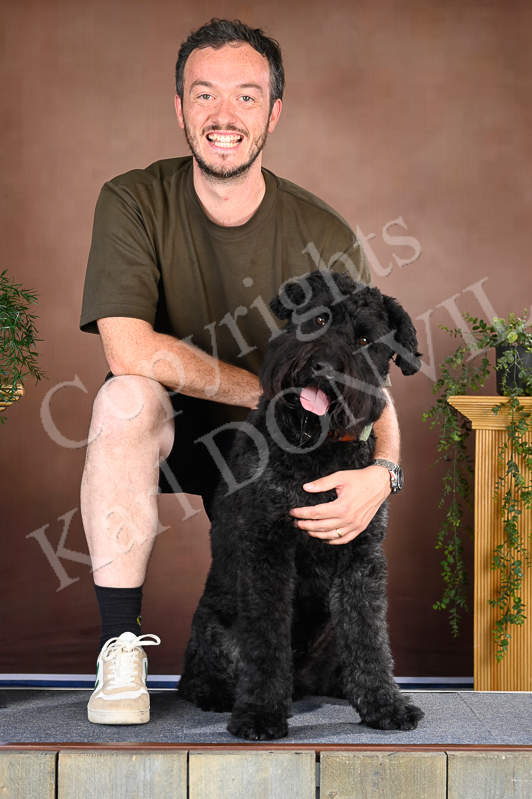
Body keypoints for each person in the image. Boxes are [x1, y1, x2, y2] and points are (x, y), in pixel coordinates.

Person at [80, 18, 401, 726]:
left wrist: (385, 472)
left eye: (246, 96)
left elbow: (367, 378)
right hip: (183, 431)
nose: (223, 115)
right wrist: (273, 391)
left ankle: (328, 671)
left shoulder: (324, 233)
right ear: (180, 107)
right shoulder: (133, 199)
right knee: (124, 400)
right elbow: (127, 349)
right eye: (205, 94)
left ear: (273, 112)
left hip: (288, 447)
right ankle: (120, 652)